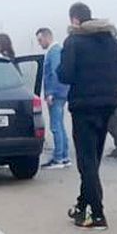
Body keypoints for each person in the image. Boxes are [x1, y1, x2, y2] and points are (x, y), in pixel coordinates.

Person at [58, 2, 117, 230]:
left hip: (83, 106)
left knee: (86, 161)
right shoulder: (113, 42)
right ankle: (81, 204)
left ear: (75, 19)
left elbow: (65, 75)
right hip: (107, 105)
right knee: (93, 160)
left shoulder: (74, 41)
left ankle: (97, 214)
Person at [37, 27, 70, 169]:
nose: (39, 43)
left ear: (46, 37)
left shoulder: (54, 51)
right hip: (60, 93)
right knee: (60, 125)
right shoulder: (55, 51)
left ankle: (58, 158)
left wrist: (51, 92)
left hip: (56, 94)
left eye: (40, 40)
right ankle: (64, 156)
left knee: (56, 126)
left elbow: (56, 73)